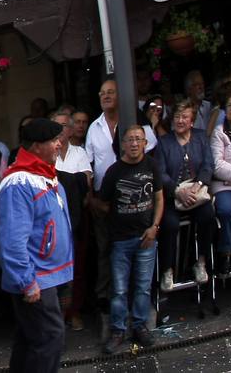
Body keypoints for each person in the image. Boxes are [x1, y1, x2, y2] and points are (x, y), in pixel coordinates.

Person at [0, 117, 73, 373]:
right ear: (37, 146)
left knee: (31, 339)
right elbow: (13, 239)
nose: (59, 145)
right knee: (49, 337)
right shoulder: (19, 183)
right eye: (54, 141)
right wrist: (26, 280)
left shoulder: (44, 175)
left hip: (48, 275)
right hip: (37, 277)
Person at [86, 79, 157, 308]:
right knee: (106, 249)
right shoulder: (93, 128)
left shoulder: (136, 121)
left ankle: (140, 299)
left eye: (111, 92)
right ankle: (107, 299)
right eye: (102, 93)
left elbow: (152, 150)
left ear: (119, 96)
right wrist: (92, 200)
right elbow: (88, 166)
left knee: (138, 251)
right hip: (104, 198)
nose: (106, 96)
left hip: (136, 197)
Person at [93, 124, 163, 354]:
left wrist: (154, 227)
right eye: (130, 139)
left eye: (138, 139)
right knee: (119, 290)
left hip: (146, 238)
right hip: (120, 240)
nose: (134, 143)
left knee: (143, 287)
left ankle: (140, 326)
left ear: (145, 143)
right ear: (123, 144)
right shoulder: (114, 171)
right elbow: (102, 202)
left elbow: (159, 199)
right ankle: (118, 330)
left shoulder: (152, 165)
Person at [155, 102, 215, 291]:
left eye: (185, 117)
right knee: (169, 224)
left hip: (196, 193)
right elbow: (161, 173)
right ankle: (167, 269)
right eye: (177, 117)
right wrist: (177, 190)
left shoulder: (200, 137)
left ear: (192, 120)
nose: (180, 121)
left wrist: (198, 186)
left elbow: (208, 165)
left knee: (208, 216)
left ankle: (201, 262)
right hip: (174, 195)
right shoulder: (165, 142)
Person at [52, 109, 92, 331]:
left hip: (78, 216)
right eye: (55, 127)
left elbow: (86, 182)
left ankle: (74, 311)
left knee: (78, 265)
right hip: (54, 219)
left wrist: (70, 182)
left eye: (63, 126)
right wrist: (74, 181)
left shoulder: (79, 152)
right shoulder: (49, 154)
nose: (60, 131)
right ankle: (59, 314)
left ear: (70, 130)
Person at [210, 92, 231, 271]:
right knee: (226, 210)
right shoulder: (218, 132)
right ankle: (225, 253)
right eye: (229, 105)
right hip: (225, 184)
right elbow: (217, 166)